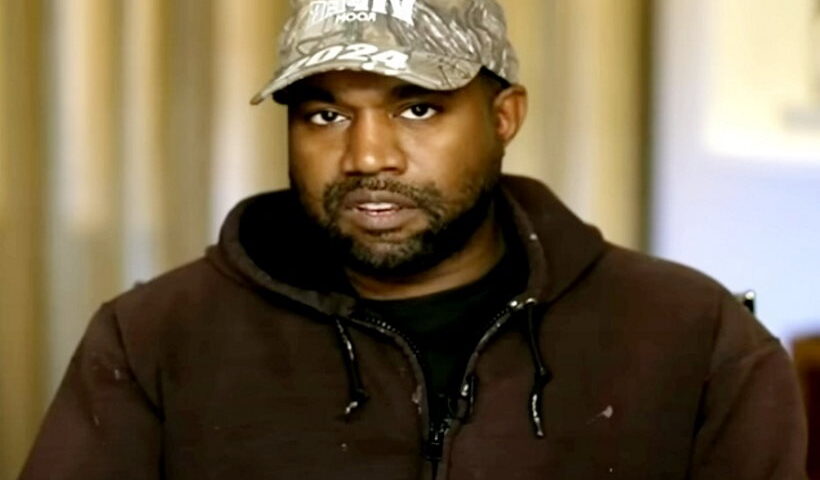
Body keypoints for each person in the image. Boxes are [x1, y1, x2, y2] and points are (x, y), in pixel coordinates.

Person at [20, 0, 808, 479]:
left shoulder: (693, 340)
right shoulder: (156, 338)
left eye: (417, 108)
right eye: (325, 113)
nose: (367, 157)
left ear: (505, 118)